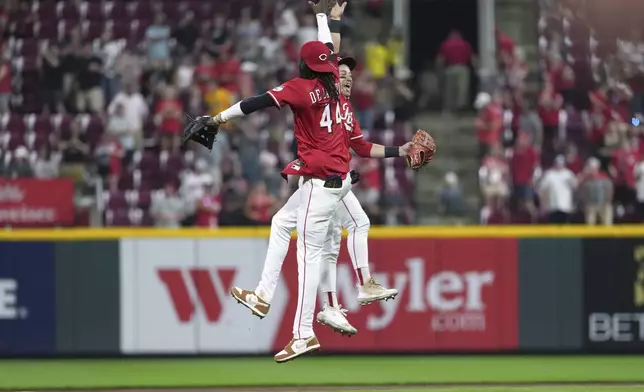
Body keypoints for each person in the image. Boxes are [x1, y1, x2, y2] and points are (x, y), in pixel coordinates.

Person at [229, 3, 410, 352]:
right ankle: (307, 301)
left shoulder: (344, 108)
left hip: (329, 182)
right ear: (329, 76)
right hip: (325, 180)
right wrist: (329, 19)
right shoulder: (327, 95)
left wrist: (398, 151)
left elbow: (359, 144)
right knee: (298, 229)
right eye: (340, 73)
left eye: (349, 75)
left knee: (325, 243)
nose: (346, 76)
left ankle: (323, 312)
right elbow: (329, 53)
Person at [204, 0, 355, 362]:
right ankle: (263, 294)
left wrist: (217, 118)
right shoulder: (333, 77)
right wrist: (324, 17)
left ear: (303, 65)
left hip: (321, 183)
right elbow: (330, 47)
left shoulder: (302, 87)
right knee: (280, 221)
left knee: (307, 256)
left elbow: (254, 103)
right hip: (334, 178)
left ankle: (303, 334)